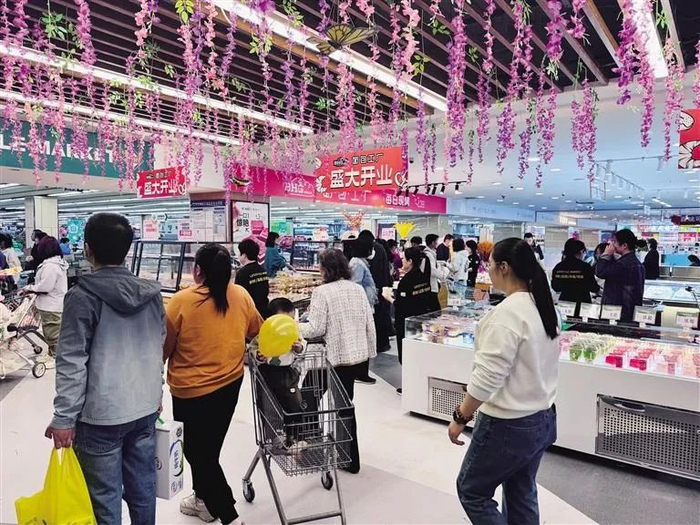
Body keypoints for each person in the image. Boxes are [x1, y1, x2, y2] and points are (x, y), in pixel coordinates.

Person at [44, 213, 165, 525]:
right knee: (143, 490)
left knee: (103, 499)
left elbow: (71, 362)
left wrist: (64, 417)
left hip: (100, 417)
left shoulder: (81, 297)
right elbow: (156, 347)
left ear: (88, 249)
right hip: (144, 408)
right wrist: (157, 392)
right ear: (127, 250)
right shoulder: (152, 296)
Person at [449, 238, 559, 525]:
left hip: (508, 424)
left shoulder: (507, 314)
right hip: (542, 417)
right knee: (521, 490)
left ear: (504, 267)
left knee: (472, 491)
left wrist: (461, 416)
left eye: (490, 265)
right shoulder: (543, 306)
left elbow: (487, 377)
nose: (488, 270)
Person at [164, 244, 263, 525]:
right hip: (230, 385)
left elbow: (164, 348)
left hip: (190, 391)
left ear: (198, 271)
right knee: (209, 448)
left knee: (197, 453)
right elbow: (257, 330)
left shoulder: (181, 301)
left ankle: (227, 513)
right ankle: (203, 501)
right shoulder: (240, 295)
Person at [299, 248, 376, 473]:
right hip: (352, 357)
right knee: (344, 405)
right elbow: (368, 322)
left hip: (328, 358)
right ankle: (349, 458)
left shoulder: (322, 292)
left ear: (325, 269)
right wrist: (369, 351)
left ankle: (313, 451)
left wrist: (293, 326)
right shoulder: (356, 289)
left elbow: (316, 328)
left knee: (308, 399)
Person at [249, 297, 305, 448]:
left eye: (290, 320)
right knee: (269, 406)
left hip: (288, 373)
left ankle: (296, 436)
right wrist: (258, 356)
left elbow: (302, 346)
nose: (286, 325)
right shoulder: (263, 335)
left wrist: (299, 347)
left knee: (294, 404)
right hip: (267, 373)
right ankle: (276, 436)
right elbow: (253, 348)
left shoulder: (294, 334)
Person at [382, 247, 433, 394]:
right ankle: (418, 385)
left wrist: (389, 298)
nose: (402, 261)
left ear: (410, 261)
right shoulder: (423, 276)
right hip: (420, 322)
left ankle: (409, 387)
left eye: (404, 258)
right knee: (417, 355)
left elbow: (402, 305)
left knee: (406, 356)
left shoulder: (407, 281)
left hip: (406, 324)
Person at [22, 237, 68, 369]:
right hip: (54, 303)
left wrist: (30, 288)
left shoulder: (50, 266)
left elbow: (45, 286)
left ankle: (55, 357)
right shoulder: (56, 263)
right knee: (51, 331)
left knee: (53, 333)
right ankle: (51, 353)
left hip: (51, 304)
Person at [595, 229, 645, 323]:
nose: (612, 245)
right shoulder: (637, 263)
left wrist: (606, 254)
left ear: (624, 245)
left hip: (617, 312)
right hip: (629, 311)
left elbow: (600, 272)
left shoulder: (623, 264)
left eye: (615, 242)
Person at [359, 230, 393, 355]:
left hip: (371, 290)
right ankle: (383, 344)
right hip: (382, 288)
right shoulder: (380, 248)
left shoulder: (368, 250)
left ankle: (375, 345)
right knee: (382, 316)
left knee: (373, 318)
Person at [551, 239, 600, 310]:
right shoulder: (585, 267)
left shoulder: (558, 267)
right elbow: (593, 287)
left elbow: (555, 287)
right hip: (583, 303)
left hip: (565, 303)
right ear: (581, 251)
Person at [235, 238, 270, 318]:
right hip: (263, 310)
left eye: (240, 253)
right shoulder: (262, 270)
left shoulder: (243, 272)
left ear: (244, 255)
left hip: (250, 313)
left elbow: (239, 295)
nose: (238, 256)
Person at [349, 236, 378, 308]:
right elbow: (356, 285)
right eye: (372, 248)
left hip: (366, 302)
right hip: (362, 304)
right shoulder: (357, 263)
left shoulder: (361, 262)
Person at [424, 234, 449, 311]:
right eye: (436, 241)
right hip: (430, 286)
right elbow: (433, 271)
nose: (437, 244)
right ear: (432, 243)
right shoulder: (429, 255)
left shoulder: (431, 254)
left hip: (431, 285)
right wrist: (443, 273)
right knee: (435, 310)